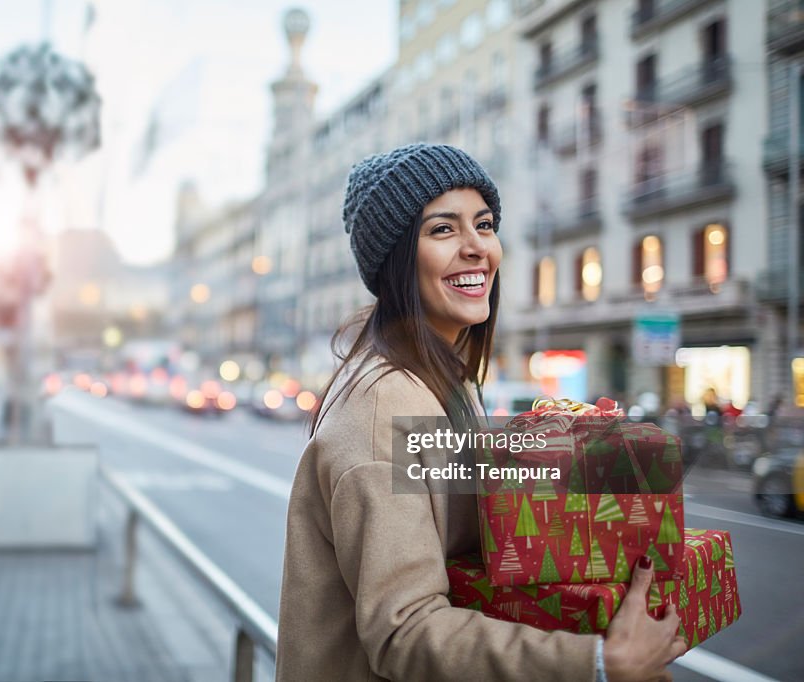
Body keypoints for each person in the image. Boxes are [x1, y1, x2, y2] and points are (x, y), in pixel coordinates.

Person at [275, 144, 686, 681]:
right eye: (442, 230)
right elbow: (405, 630)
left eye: (485, 224)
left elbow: (467, 551)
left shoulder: (447, 378)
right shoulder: (384, 408)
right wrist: (599, 664)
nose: (478, 249)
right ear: (396, 259)